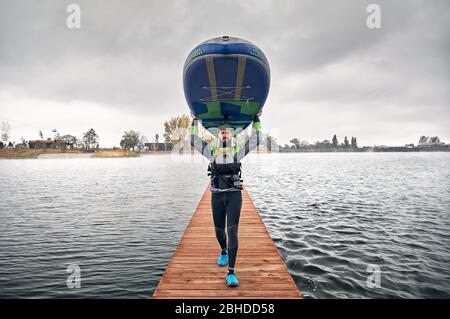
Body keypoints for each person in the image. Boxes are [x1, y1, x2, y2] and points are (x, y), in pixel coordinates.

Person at [189, 113, 262, 287]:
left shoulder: (237, 152)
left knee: (233, 233)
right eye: (221, 131)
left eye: (228, 131)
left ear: (232, 135)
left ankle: (231, 272)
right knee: (219, 231)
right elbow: (193, 139)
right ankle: (223, 251)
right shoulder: (211, 151)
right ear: (217, 134)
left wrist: (256, 119)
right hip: (216, 195)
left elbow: (257, 138)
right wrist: (194, 120)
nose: (224, 133)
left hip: (233, 196)